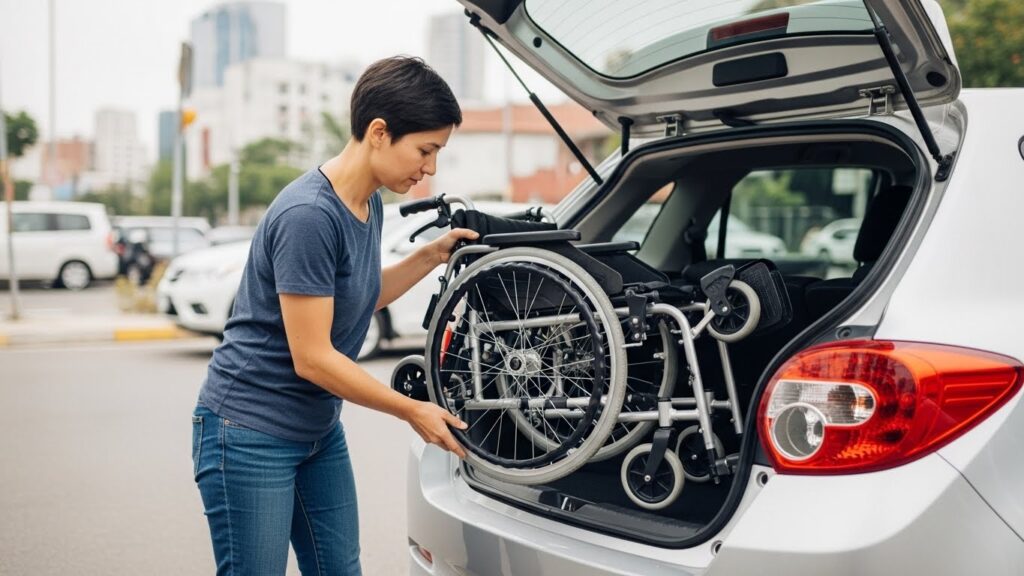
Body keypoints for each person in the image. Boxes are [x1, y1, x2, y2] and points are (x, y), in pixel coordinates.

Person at [190, 56, 476, 576]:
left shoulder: (368, 204)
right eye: (426, 150)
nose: (430, 168)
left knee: (339, 569)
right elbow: (314, 359)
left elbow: (361, 293)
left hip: (317, 431)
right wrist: (411, 410)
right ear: (379, 132)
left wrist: (433, 255)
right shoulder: (309, 216)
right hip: (249, 430)